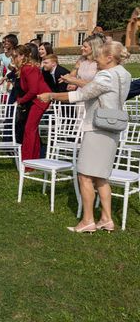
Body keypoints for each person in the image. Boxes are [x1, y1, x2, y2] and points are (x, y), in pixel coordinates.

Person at [38, 41, 132, 233]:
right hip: (114, 128)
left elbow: (79, 96)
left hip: (98, 128)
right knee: (101, 176)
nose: (96, 59)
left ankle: (88, 220)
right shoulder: (125, 74)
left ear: (109, 58)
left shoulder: (106, 75)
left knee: (84, 174)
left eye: (99, 55)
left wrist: (51, 95)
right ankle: (106, 219)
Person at [12, 45, 51, 161]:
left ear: (23, 56)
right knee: (31, 129)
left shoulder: (28, 68)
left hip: (40, 100)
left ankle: (28, 161)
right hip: (36, 99)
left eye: (15, 56)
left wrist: (20, 101)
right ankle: (33, 159)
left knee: (29, 129)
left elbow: (33, 90)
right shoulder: (25, 68)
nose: (13, 59)